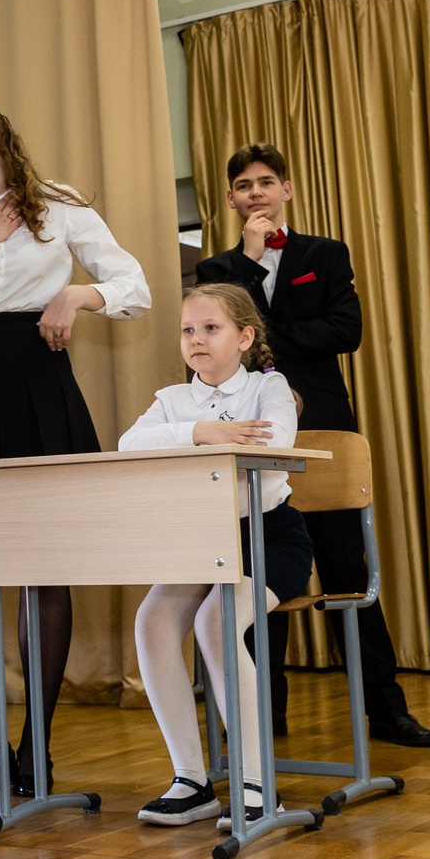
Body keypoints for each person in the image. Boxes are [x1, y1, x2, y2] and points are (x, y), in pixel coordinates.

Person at [0, 100, 150, 797]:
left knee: (43, 571)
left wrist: (79, 294)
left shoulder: (60, 205)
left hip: (35, 378)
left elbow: (137, 286)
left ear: (0, 128)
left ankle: (36, 748)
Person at [192, 144, 430, 749]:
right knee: (254, 575)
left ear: (287, 190)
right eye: (244, 186)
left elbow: (344, 331)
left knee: (348, 573)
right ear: (230, 199)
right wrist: (249, 262)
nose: (256, 193)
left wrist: (262, 335)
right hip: (247, 433)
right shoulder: (217, 270)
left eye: (266, 183)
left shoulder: (323, 254)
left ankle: (386, 711)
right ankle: (262, 715)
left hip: (322, 430)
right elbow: (227, 347)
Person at [121, 282, 313, 828]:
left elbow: (272, 448)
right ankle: (192, 781)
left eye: (211, 328)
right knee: (153, 623)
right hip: (200, 539)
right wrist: (204, 431)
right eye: (188, 330)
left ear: (245, 337)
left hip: (268, 538)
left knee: (216, 621)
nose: (197, 339)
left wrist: (185, 441)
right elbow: (129, 445)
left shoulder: (269, 388)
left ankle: (258, 785)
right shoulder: (172, 400)